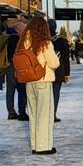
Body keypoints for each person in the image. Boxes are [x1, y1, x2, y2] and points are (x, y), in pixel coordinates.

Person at [14, 15, 59, 155]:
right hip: (43, 81)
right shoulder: (44, 43)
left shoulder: (24, 42)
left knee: (33, 115)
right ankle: (44, 146)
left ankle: (35, 145)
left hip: (29, 82)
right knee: (45, 114)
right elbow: (54, 63)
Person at [4, 20, 28, 122]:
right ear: (19, 30)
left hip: (10, 66)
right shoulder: (17, 39)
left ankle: (11, 112)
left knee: (10, 91)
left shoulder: (9, 38)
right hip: (16, 67)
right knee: (22, 89)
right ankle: (22, 112)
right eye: (23, 30)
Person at [49, 21, 71, 122]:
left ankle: (44, 115)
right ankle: (52, 115)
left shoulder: (42, 40)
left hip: (44, 72)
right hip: (58, 72)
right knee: (55, 93)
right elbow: (66, 58)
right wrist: (67, 73)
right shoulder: (61, 40)